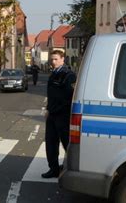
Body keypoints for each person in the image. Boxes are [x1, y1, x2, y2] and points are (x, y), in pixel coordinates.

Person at [42, 50, 76, 179]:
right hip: (52, 114)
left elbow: (70, 97)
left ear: (63, 59)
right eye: (52, 59)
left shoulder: (68, 75)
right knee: (51, 143)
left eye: (56, 59)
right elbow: (52, 96)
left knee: (66, 143)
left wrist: (59, 110)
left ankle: (72, 169)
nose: (53, 62)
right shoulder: (53, 74)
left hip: (63, 115)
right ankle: (53, 169)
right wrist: (48, 109)